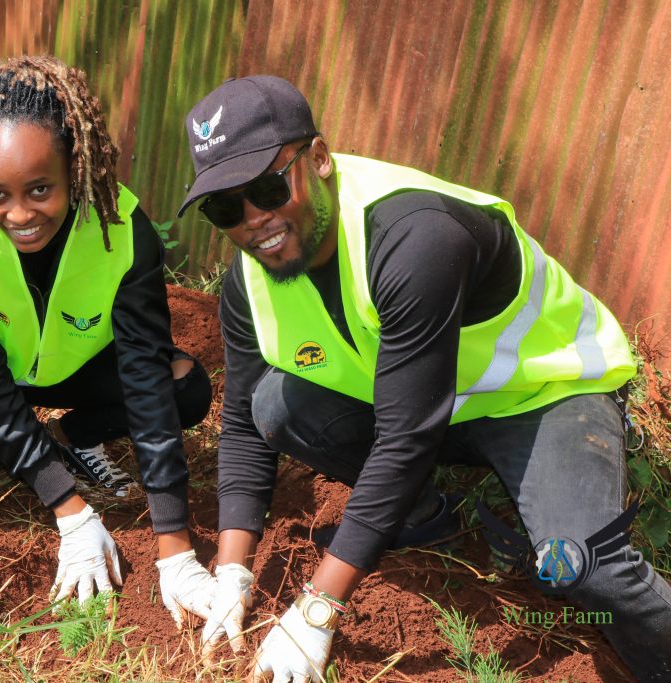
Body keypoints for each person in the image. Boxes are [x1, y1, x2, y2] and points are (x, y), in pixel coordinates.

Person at [178, 75, 671, 681]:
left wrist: (317, 606)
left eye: (268, 187)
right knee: (275, 405)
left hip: (542, 393)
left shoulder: (414, 236)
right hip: (428, 405)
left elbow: (406, 436)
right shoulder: (248, 280)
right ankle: (428, 515)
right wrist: (233, 571)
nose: (255, 220)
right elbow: (242, 422)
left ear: (320, 158)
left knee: (587, 568)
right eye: (225, 207)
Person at [0, 55, 216, 625]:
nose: (19, 214)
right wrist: (71, 512)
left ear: (75, 167)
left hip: (76, 369)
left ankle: (72, 436)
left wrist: (174, 543)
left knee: (185, 387)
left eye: (41, 188)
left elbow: (144, 374)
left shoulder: (121, 230)